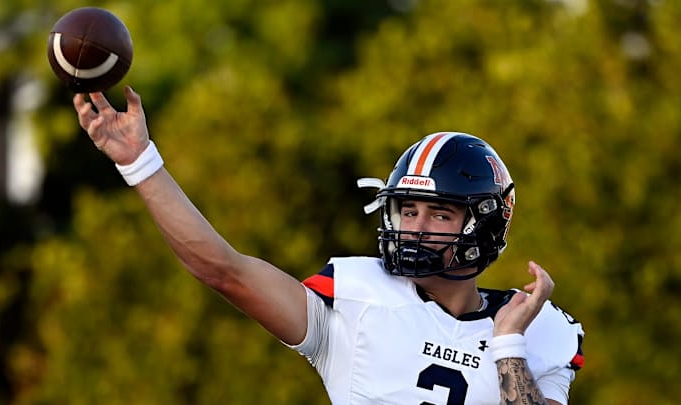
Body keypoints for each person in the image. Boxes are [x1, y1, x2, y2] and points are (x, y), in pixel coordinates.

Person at [73, 86, 584, 405]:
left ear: (485, 225)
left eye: (440, 213)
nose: (416, 226)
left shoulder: (535, 331)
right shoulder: (355, 300)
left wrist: (509, 346)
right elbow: (221, 268)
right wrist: (139, 162)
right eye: (407, 210)